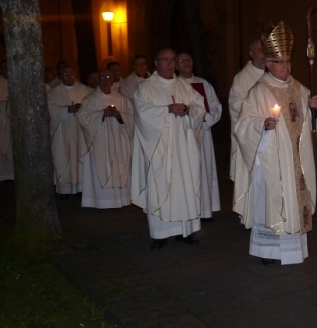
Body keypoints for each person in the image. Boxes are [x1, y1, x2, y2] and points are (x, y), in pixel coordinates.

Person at [233, 22, 317, 265]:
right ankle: (269, 252)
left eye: (288, 61)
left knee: (296, 200)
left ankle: (294, 250)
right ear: (268, 64)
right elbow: (243, 125)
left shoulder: (301, 89)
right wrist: (262, 126)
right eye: (280, 62)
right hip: (271, 161)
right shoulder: (258, 91)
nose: (285, 66)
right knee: (272, 201)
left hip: (297, 161)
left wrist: (315, 109)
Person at [131, 48, 206, 249]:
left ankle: (187, 231)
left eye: (172, 60)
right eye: (165, 60)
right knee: (161, 187)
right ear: (156, 63)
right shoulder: (146, 87)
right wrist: (167, 111)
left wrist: (189, 111)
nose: (170, 64)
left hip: (184, 148)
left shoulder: (183, 85)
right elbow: (141, 113)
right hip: (160, 149)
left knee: (186, 185)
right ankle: (160, 233)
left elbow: (199, 106)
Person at [77, 70, 134, 209]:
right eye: (102, 77)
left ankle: (122, 199)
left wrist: (120, 115)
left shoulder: (122, 99)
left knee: (119, 167)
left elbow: (132, 117)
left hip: (119, 140)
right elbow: (83, 118)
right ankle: (101, 201)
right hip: (99, 142)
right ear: (97, 80)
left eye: (108, 77)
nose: (105, 80)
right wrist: (101, 114)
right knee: (101, 167)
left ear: (113, 79)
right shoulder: (89, 100)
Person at [176, 52, 222, 219]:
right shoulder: (174, 85)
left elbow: (216, 107)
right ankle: (188, 208)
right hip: (183, 134)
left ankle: (204, 209)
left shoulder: (203, 84)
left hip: (202, 132)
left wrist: (204, 120)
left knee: (204, 168)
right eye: (181, 61)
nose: (186, 63)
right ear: (176, 65)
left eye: (189, 60)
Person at [47, 65, 91, 195]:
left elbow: (90, 106)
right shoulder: (54, 92)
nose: (70, 76)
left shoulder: (84, 89)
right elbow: (50, 109)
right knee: (63, 158)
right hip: (62, 132)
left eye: (72, 73)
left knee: (80, 156)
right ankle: (64, 190)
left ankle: (82, 188)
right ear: (60, 77)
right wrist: (67, 110)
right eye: (65, 73)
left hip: (80, 130)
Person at [228, 39, 266, 181]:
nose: (264, 55)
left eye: (266, 50)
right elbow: (235, 106)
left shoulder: (275, 74)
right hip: (251, 137)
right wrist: (260, 118)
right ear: (251, 54)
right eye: (260, 50)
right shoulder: (242, 78)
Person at [0, 60, 14, 181]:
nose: (6, 70)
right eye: (4, 67)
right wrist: (5, 105)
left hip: (14, 123)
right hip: (2, 124)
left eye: (8, 67)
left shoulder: (16, 83)